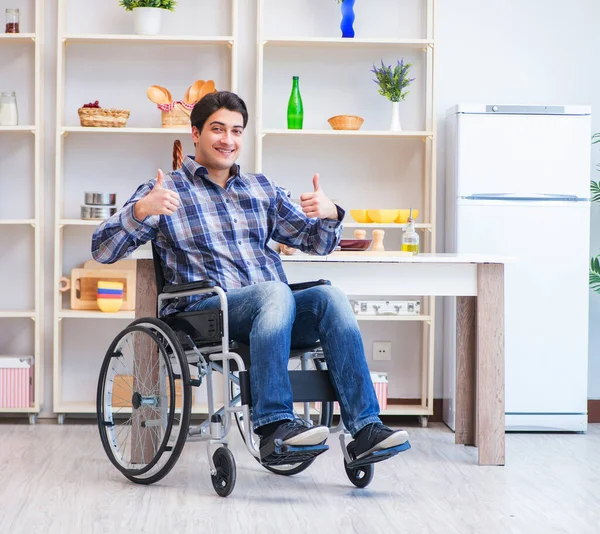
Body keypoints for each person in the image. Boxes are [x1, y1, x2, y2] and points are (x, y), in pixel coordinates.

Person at [91, 90, 410, 465]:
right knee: (275, 292)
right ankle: (274, 427)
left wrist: (329, 214)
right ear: (196, 133)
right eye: (218, 129)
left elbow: (315, 242)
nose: (228, 139)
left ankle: (366, 430)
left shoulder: (262, 189)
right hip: (207, 314)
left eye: (237, 131)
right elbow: (103, 250)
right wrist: (141, 212)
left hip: (274, 312)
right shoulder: (166, 190)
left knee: (330, 297)